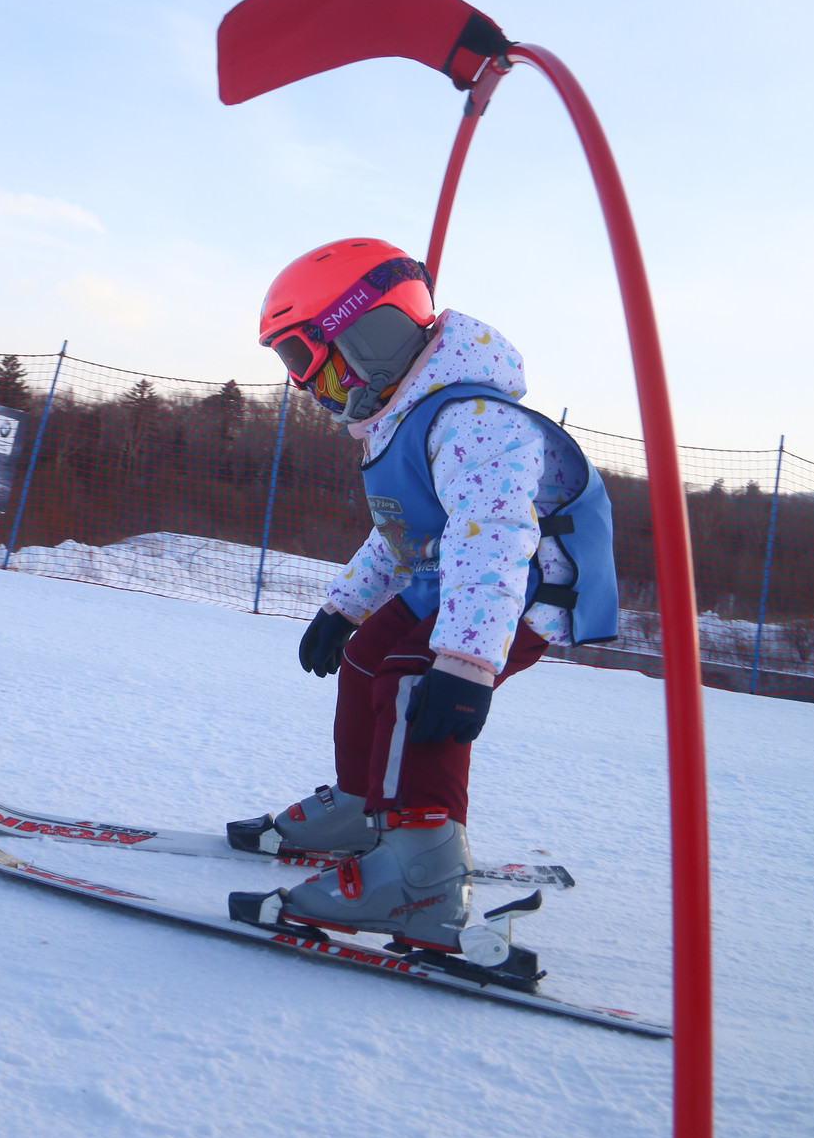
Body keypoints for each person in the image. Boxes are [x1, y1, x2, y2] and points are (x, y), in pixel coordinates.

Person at [228, 236, 616, 958]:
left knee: (414, 677)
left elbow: (495, 540)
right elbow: (403, 532)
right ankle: (359, 807)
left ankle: (422, 876)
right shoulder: (408, 419)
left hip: (526, 593)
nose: (306, 385)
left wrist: (466, 663)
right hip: (460, 580)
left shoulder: (475, 422)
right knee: (372, 657)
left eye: (303, 358)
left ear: (368, 336)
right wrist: (342, 608)